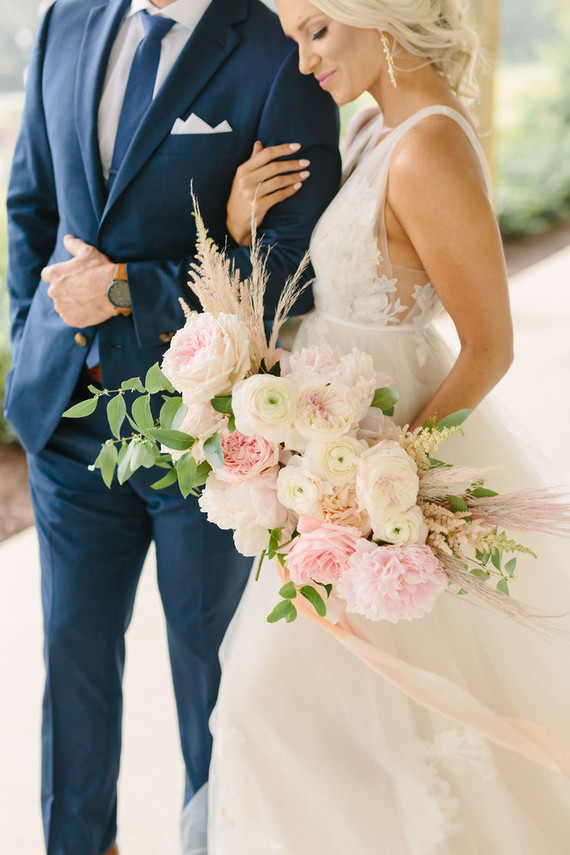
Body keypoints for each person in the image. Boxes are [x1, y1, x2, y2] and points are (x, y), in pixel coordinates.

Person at [206, 0, 570, 852]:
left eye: (317, 31)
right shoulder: (374, 130)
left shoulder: (428, 145)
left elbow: (489, 347)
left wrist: (383, 490)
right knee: (337, 727)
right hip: (336, 480)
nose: (302, 63)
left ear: (382, 15)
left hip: (383, 493)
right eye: (295, 38)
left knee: (283, 710)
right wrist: (236, 229)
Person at [4, 0, 341, 853]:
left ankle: (215, 838)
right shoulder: (67, 19)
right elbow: (30, 202)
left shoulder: (277, 47)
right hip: (69, 422)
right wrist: (31, 330)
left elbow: (292, 267)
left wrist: (125, 290)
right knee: (72, 667)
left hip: (206, 436)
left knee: (211, 676)